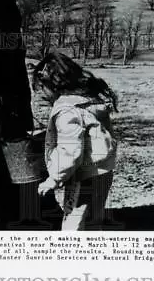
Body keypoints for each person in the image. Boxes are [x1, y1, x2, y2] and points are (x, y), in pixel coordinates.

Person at [32, 52, 118, 230]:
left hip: (84, 174)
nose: (41, 95)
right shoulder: (89, 99)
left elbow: (70, 149)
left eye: (41, 88)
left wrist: (53, 179)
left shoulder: (67, 110)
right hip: (103, 169)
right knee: (93, 217)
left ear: (53, 84)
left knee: (74, 222)